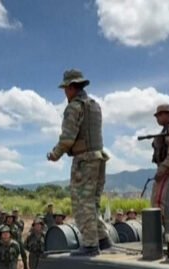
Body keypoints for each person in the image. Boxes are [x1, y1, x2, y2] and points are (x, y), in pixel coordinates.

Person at [47, 69, 110, 256]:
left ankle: (90, 244)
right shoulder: (94, 105)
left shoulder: (74, 107)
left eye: (66, 88)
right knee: (93, 202)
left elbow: (67, 139)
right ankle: (102, 239)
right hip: (98, 157)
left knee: (82, 203)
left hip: (84, 160)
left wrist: (55, 154)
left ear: (72, 87)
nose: (65, 92)